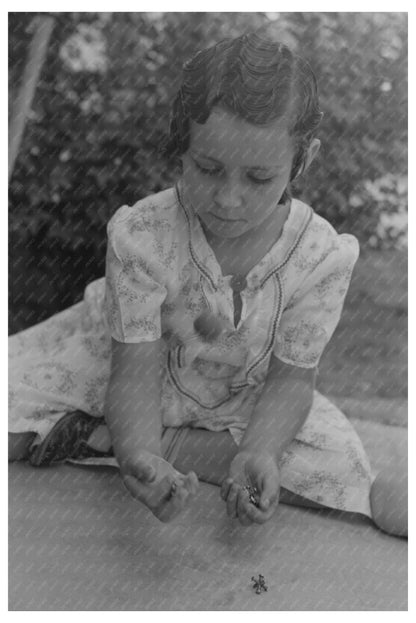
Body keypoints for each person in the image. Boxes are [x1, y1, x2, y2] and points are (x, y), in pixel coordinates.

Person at [9, 33, 407, 536]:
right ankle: (129, 441)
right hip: (132, 369)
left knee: (338, 463)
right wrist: (143, 458)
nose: (229, 199)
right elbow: (132, 375)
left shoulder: (320, 257)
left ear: (302, 161)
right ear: (182, 147)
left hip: (245, 395)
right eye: (208, 169)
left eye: (259, 178)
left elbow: (290, 382)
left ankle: (100, 439)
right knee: (15, 408)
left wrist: (261, 451)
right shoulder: (145, 237)